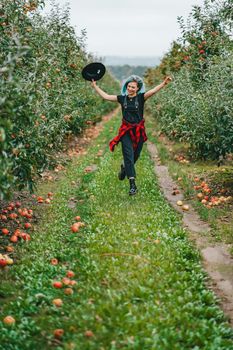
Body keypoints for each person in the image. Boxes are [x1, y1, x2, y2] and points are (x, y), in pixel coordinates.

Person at [91, 74, 172, 195]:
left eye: (133, 87)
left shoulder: (141, 98)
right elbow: (106, 96)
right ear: (126, 86)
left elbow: (153, 91)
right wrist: (95, 86)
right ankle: (133, 185)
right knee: (128, 155)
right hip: (126, 131)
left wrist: (164, 83)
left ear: (138, 88)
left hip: (138, 131)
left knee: (135, 156)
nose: (130, 89)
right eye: (128, 86)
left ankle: (124, 169)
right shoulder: (122, 98)